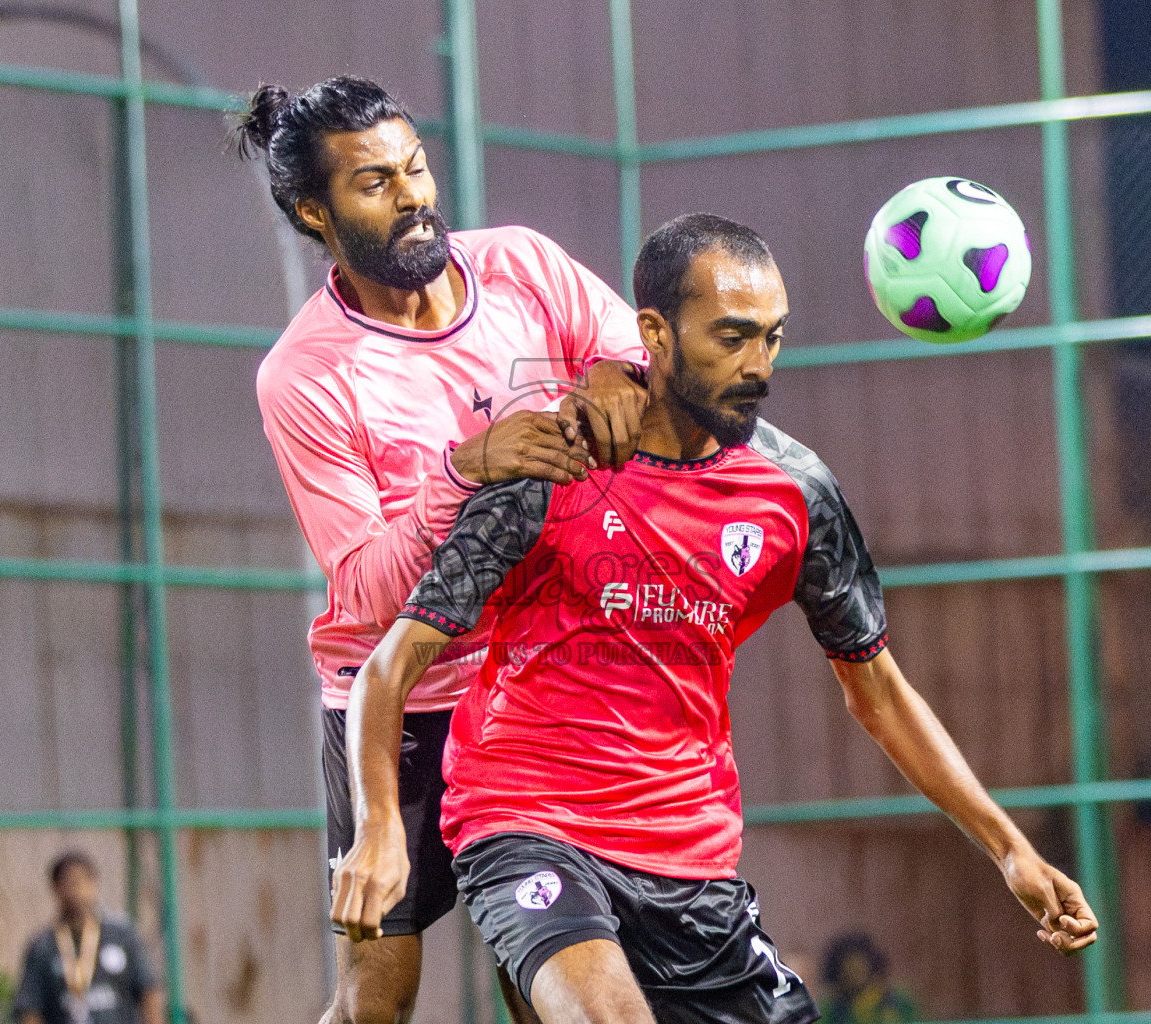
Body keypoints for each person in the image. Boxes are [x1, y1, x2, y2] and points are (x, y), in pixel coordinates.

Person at [332, 214, 1099, 1023]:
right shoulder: (554, 466)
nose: (758, 366)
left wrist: (1012, 850)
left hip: (691, 861)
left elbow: (878, 690)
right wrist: (379, 829)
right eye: (732, 338)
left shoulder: (794, 492)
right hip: (527, 823)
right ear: (654, 335)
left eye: (772, 338)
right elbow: (389, 667)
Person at [236, 75, 647, 1023]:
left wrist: (620, 387)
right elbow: (366, 589)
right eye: (375, 182)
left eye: (416, 166)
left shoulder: (522, 267)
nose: (415, 193)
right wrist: (465, 467)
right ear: (314, 210)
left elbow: (630, 356)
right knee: (380, 994)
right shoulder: (304, 375)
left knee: (548, 967)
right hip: (401, 706)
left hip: (534, 689)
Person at [13, 851, 163, 1024]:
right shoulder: (42, 946)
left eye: (82, 882)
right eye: (68, 883)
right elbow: (31, 1008)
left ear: (94, 883)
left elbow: (149, 992)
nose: (76, 890)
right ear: (55, 888)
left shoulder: (122, 936)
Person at [818, 934, 915, 1024]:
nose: (854, 973)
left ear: (871, 965)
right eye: (849, 968)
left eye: (859, 966)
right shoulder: (831, 1010)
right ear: (838, 973)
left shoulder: (897, 1000)